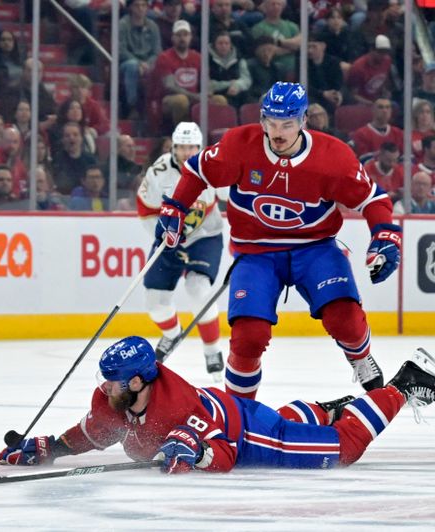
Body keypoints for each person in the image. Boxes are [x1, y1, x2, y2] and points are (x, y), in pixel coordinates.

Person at [153, 82, 401, 399]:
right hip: (255, 253)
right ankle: (238, 414)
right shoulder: (240, 145)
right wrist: (175, 206)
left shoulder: (333, 157)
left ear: (302, 121)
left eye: (287, 123)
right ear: (262, 120)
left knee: (346, 319)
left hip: (315, 248)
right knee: (248, 337)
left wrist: (383, 234)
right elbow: (197, 171)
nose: (278, 132)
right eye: (271, 122)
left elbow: (373, 199)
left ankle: (361, 357)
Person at [0, 337, 435, 474]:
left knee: (340, 450)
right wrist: (45, 448)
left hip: (244, 434)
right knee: (285, 421)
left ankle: (403, 384)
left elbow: (222, 454)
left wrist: (195, 453)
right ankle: (328, 407)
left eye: (112, 382)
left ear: (136, 381)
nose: (103, 390)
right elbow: (88, 436)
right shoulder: (111, 401)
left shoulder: (179, 407)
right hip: (228, 414)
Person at [136, 122, 225, 375]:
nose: (187, 153)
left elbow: (235, 196)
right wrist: (165, 234)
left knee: (198, 290)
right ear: (173, 147)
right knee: (154, 301)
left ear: (200, 147)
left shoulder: (213, 166)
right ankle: (172, 334)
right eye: (182, 147)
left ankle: (212, 350)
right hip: (168, 238)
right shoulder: (159, 172)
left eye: (192, 147)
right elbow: (145, 211)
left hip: (205, 236)